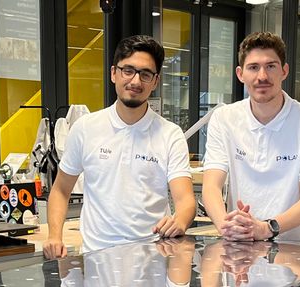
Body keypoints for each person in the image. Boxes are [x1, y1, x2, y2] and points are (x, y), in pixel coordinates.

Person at [44, 35, 196, 259]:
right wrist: (54, 236)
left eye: (145, 74)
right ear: (114, 73)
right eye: (128, 71)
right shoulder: (86, 128)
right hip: (97, 257)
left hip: (152, 257)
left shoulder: (170, 134)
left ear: (155, 82)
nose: (135, 82)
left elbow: (185, 199)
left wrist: (180, 221)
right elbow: (60, 190)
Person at [201, 32, 300, 243]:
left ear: (284, 71)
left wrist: (267, 228)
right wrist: (226, 225)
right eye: (253, 67)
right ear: (240, 74)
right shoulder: (224, 118)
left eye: (271, 66)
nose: (262, 76)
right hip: (239, 249)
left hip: (292, 252)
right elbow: (211, 186)